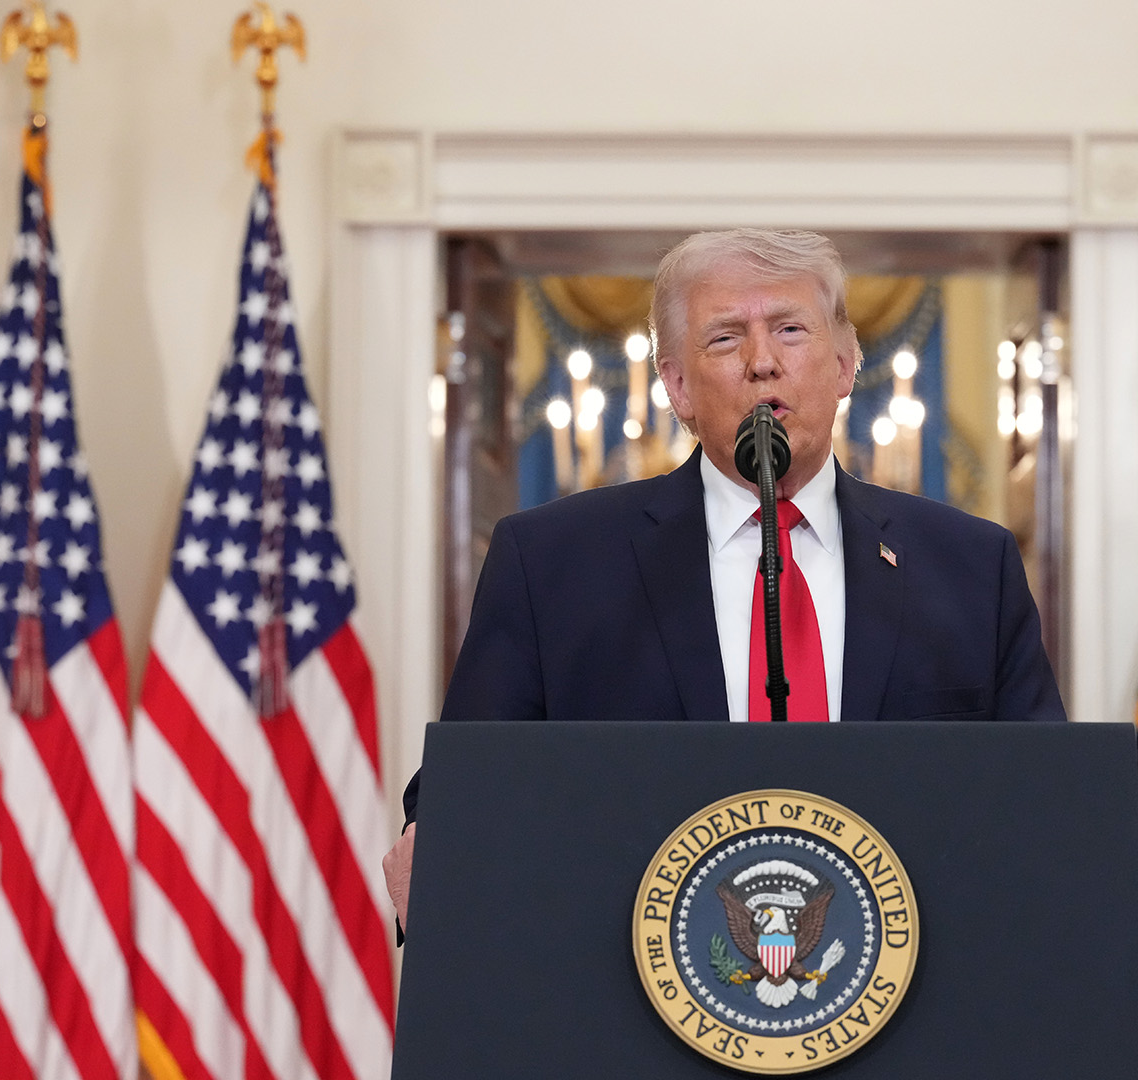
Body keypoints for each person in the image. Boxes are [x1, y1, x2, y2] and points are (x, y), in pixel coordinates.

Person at [382, 228, 1065, 930]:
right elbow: (467, 787)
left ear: (844, 364)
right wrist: (434, 837)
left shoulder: (969, 566)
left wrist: (1092, 856)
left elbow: (1048, 796)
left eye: (791, 330)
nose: (763, 362)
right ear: (677, 385)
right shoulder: (552, 563)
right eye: (725, 340)